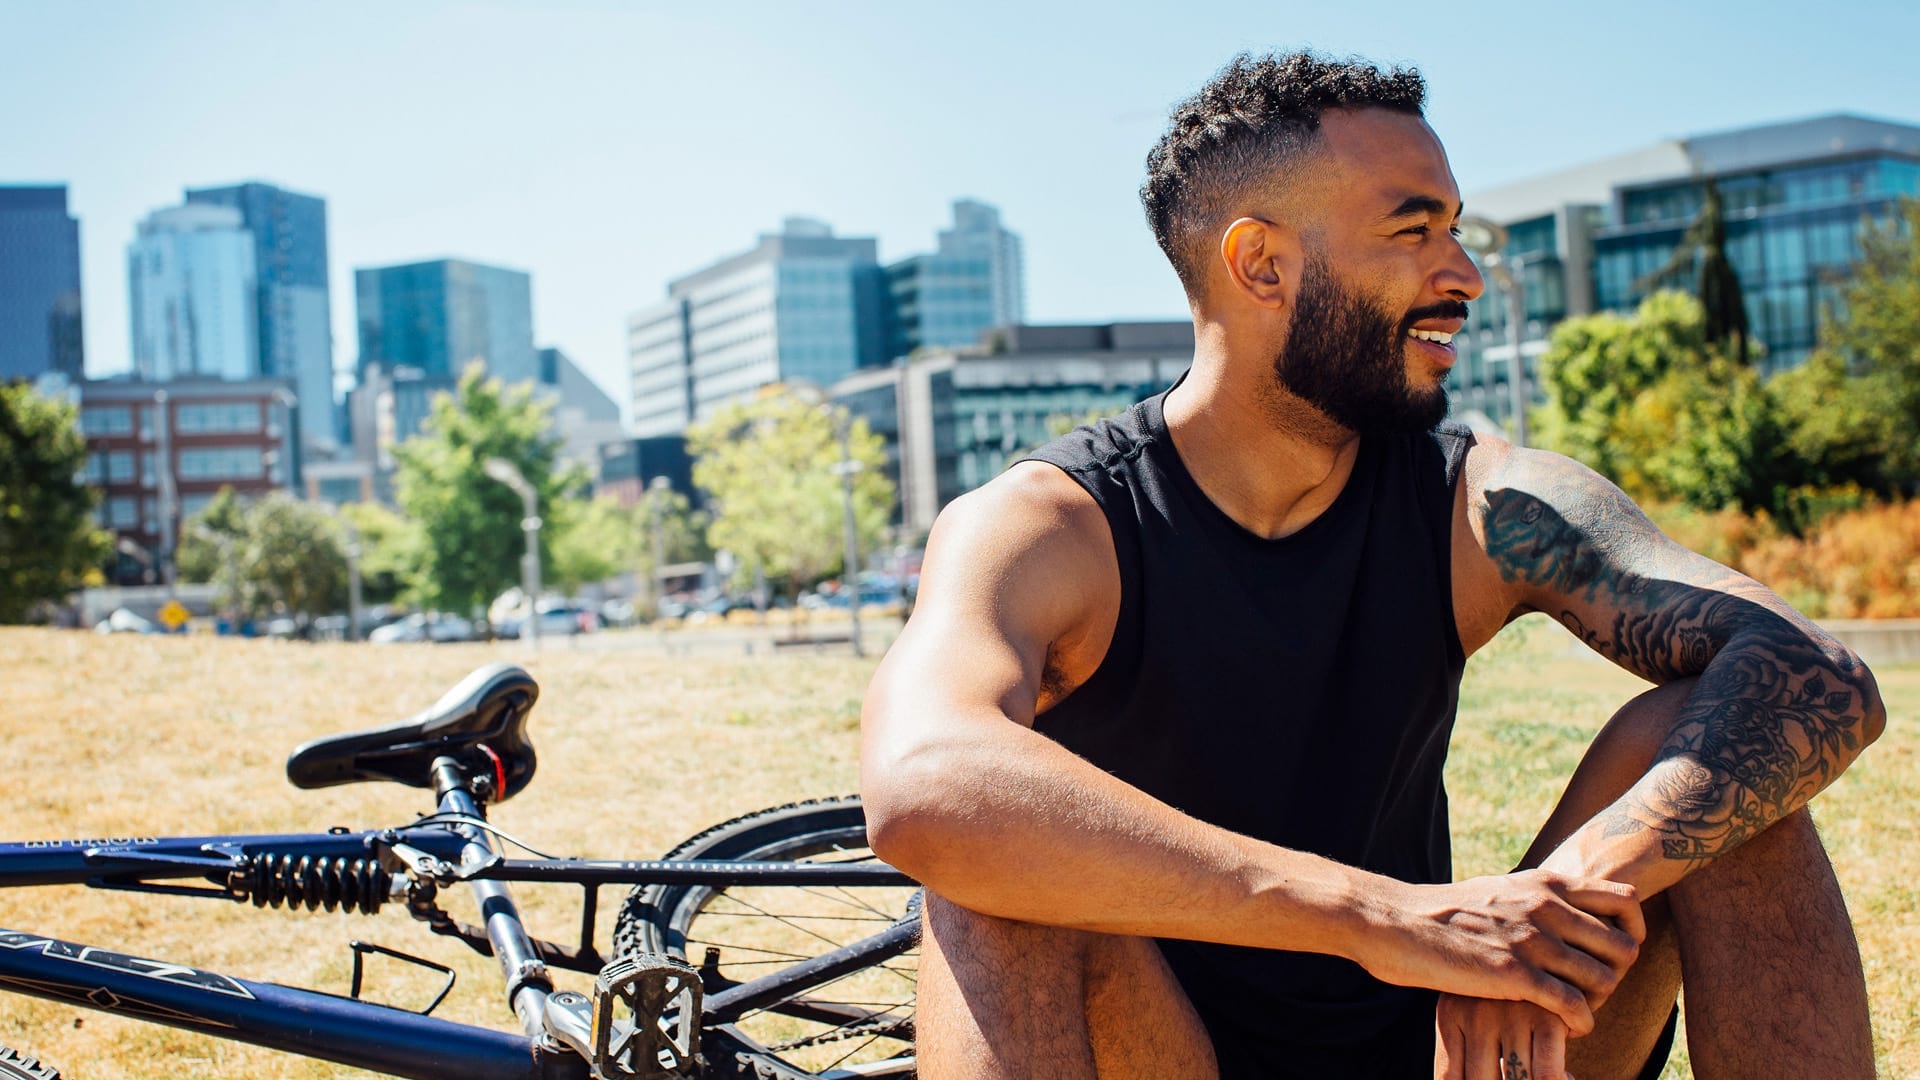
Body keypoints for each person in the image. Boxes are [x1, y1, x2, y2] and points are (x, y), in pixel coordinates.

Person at [858, 51, 1887, 1080]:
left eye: (1456, 229)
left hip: (1454, 1056)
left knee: (1716, 771)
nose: (1464, 275)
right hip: (1164, 1055)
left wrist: (1555, 906)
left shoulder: (1483, 506)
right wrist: (1384, 918)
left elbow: (1814, 672)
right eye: (1413, 230)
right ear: (1260, 265)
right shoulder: (1056, 526)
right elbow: (926, 784)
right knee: (1000, 873)